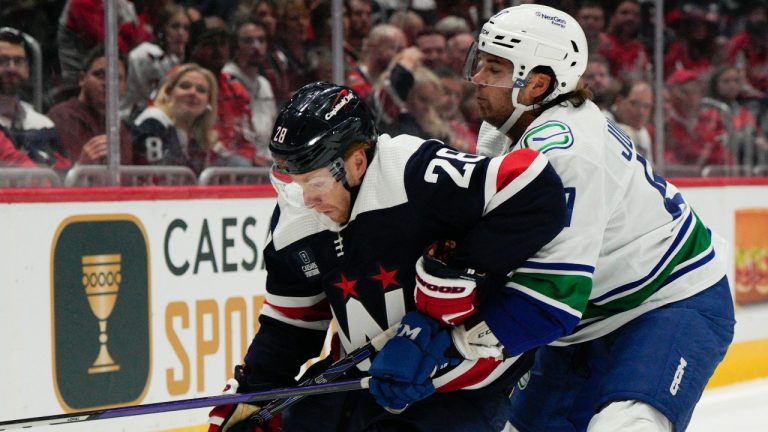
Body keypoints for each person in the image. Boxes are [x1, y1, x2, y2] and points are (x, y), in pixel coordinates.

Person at [207, 82, 567, 431]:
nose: (306, 201)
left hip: (465, 378)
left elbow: (535, 186)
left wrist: (458, 270)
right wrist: (254, 393)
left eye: (314, 183)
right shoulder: (295, 218)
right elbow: (291, 324)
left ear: (357, 162)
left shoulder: (413, 171)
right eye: (291, 184)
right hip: (365, 378)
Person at [466, 4, 734, 431]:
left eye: (494, 69)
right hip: (584, 323)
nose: (478, 79)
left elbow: (556, 289)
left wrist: (459, 339)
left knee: (627, 425)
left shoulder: (564, 152)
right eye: (480, 63)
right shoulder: (506, 131)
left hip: (670, 300)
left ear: (537, 84)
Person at [187, 19, 261, 166]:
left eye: (222, 44)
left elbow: (247, 138)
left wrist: (248, 156)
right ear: (194, 48)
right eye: (210, 44)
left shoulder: (236, 88)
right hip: (193, 162)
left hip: (231, 166)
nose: (218, 50)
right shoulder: (182, 86)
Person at [47, 45, 134, 165]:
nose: (108, 83)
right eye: (100, 75)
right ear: (82, 79)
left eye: (116, 78)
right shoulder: (63, 116)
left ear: (125, 87)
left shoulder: (121, 127)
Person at [0, 28, 71, 171]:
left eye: (19, 61)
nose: (11, 68)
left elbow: (62, 175)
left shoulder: (42, 124)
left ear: (28, 69)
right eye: (3, 61)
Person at [132, 63, 218, 174]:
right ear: (169, 92)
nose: (192, 93)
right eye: (185, 86)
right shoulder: (153, 121)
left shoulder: (197, 135)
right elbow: (157, 176)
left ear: (209, 101)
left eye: (201, 90)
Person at [121, 4, 191, 121]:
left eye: (186, 28)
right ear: (162, 28)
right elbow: (150, 95)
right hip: (130, 117)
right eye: (175, 26)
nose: (180, 33)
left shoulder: (182, 61)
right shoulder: (145, 54)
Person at [223, 17, 277, 159]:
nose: (256, 46)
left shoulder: (264, 84)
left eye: (261, 40)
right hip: (240, 160)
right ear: (235, 46)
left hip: (267, 159)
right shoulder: (226, 80)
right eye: (248, 41)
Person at [664, 68, 734, 168]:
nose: (692, 98)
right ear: (672, 94)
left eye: (696, 91)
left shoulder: (711, 120)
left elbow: (726, 158)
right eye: (685, 92)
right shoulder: (666, 123)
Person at [611, 79, 654, 162]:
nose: (641, 112)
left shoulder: (643, 133)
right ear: (619, 101)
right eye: (635, 104)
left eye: (646, 106)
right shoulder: (601, 122)